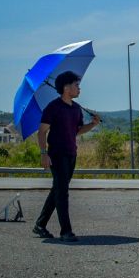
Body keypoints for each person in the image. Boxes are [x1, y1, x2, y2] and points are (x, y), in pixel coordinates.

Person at [32, 71, 100, 242]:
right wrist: (43, 154)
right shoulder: (53, 107)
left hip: (71, 154)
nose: (79, 88)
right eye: (76, 85)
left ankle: (40, 225)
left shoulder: (76, 109)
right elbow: (41, 132)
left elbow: (77, 130)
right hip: (57, 154)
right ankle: (66, 231)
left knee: (58, 190)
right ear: (66, 87)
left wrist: (92, 124)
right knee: (62, 192)